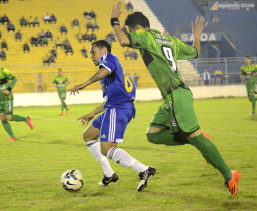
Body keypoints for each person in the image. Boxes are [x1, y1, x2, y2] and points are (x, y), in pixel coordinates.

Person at [111, 2, 240, 195]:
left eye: (131, 31)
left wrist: (114, 21)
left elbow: (122, 41)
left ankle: (230, 176)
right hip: (171, 98)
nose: (131, 35)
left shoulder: (145, 37)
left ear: (137, 28)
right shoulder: (170, 40)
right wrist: (196, 37)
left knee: (193, 135)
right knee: (153, 135)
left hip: (177, 95)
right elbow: (195, 52)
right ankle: (197, 140)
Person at [68, 40, 155, 191]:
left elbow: (104, 72)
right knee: (88, 135)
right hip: (114, 106)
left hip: (118, 108)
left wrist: (83, 84)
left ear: (103, 51)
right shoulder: (111, 73)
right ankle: (109, 174)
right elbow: (109, 99)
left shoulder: (109, 58)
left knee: (107, 149)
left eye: (93, 52)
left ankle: (144, 170)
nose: (91, 57)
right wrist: (92, 114)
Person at [0, 55, 34, 142]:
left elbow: (14, 79)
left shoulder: (3, 71)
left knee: (8, 117)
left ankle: (26, 119)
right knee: (2, 117)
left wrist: (8, 89)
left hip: (7, 98)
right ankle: (13, 136)